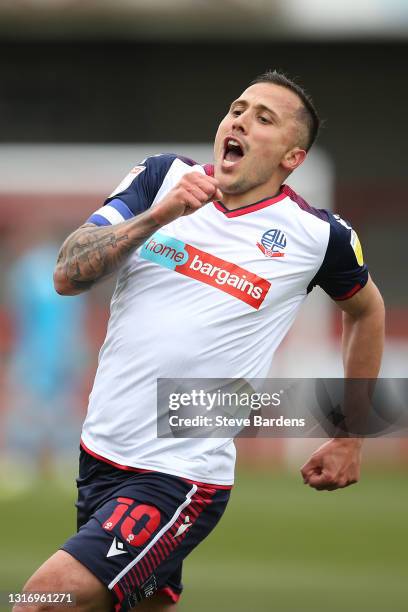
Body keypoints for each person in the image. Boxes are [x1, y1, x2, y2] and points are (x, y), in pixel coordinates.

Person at [14, 71, 385, 612]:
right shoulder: (162, 178)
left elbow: (367, 310)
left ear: (292, 157)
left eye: (264, 118)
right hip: (99, 455)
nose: (240, 120)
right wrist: (162, 215)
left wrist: (351, 433)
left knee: (40, 601)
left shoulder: (318, 236)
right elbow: (67, 275)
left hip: (177, 476)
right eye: (237, 108)